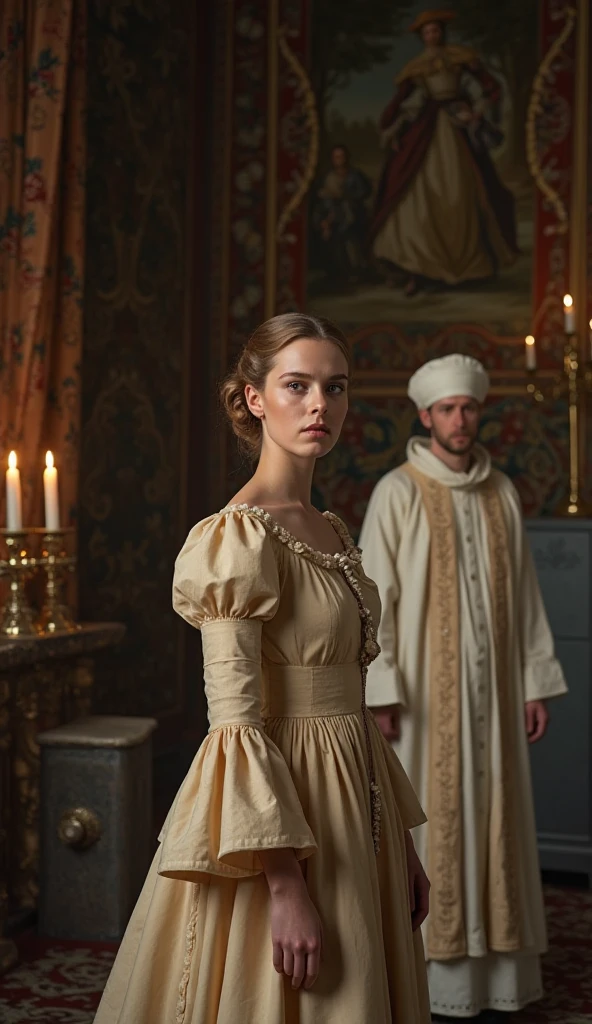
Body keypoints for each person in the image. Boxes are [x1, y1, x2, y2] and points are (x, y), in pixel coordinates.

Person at [94, 313, 431, 1024]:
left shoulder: (331, 528)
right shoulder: (236, 537)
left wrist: (400, 840)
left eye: (334, 388)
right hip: (284, 809)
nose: (320, 406)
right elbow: (236, 724)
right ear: (254, 398)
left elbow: (354, 702)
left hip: (357, 795)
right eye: (297, 385)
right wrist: (283, 884)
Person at [358, 354, 568, 1020]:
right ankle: (432, 984)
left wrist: (534, 682)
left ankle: (497, 979)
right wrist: (381, 687)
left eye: (468, 407)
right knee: (432, 828)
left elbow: (528, 597)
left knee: (499, 822)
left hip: (497, 699)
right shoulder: (396, 491)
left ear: (480, 413)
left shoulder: (500, 492)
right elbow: (370, 596)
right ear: (425, 416)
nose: (458, 418)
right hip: (421, 700)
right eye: (446, 409)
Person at [369, 9, 517, 297]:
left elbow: (492, 87)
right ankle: (419, 268)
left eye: (436, 30)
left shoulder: (460, 56)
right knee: (418, 196)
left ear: (442, 32)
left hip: (456, 123)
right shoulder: (416, 67)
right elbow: (397, 103)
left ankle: (469, 267)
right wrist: (392, 125)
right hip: (428, 125)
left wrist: (477, 112)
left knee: (460, 193)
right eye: (427, 32)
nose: (432, 36)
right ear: (422, 37)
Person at [313, 144, 372, 286]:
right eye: (336, 157)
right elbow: (323, 199)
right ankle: (336, 273)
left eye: (342, 156)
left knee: (349, 237)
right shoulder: (329, 177)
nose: (339, 160)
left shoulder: (354, 175)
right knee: (329, 234)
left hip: (352, 215)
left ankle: (355, 272)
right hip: (333, 215)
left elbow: (364, 192)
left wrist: (345, 197)